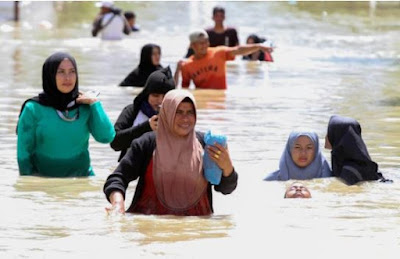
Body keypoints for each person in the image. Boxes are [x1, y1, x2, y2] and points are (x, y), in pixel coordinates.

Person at [104, 90, 238, 216]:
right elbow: (118, 178)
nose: (185, 118)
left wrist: (227, 167)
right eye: (178, 112)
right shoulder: (147, 144)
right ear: (167, 113)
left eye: (190, 112)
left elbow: (226, 189)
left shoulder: (205, 144)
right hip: (151, 227)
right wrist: (117, 204)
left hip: (197, 231)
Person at [17, 52, 115, 177]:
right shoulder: (33, 108)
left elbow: (106, 137)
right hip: (44, 182)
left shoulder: (85, 106)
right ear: (50, 75)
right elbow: (23, 154)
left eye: (72, 71)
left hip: (82, 180)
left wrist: (95, 104)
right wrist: (31, 187)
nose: (67, 78)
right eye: (61, 72)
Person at [111, 67, 175, 161]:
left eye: (165, 96)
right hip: (131, 168)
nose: (160, 101)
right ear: (147, 94)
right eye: (155, 95)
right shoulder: (133, 111)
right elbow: (115, 143)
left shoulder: (178, 116)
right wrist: (147, 126)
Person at [175, 29, 273, 90]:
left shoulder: (219, 53)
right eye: (201, 43)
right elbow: (185, 90)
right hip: (203, 103)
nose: (205, 45)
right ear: (192, 45)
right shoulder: (187, 65)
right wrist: (177, 70)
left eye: (206, 42)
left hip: (220, 101)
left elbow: (238, 50)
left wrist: (259, 46)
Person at [325, 115, 391, 185]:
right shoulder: (358, 163)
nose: (326, 136)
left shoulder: (349, 171)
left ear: (337, 136)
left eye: (329, 132)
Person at [264, 131, 331, 181]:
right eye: (297, 147)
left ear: (316, 151)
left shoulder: (329, 179)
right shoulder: (272, 180)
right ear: (289, 149)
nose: (303, 153)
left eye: (309, 148)